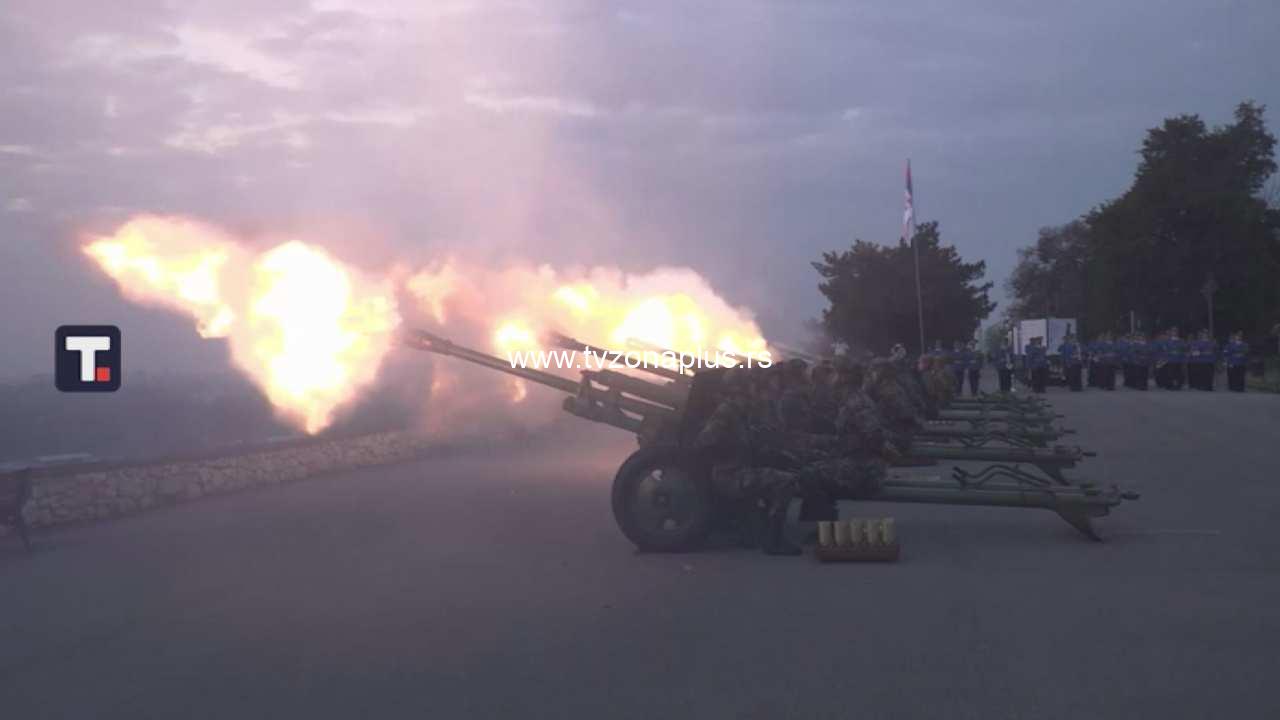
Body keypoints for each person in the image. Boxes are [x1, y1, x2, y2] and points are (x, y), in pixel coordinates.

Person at [693, 369, 802, 555]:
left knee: (782, 470)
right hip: (730, 475)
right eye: (750, 384)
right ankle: (774, 541)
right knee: (786, 482)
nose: (754, 388)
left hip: (740, 470)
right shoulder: (726, 411)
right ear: (740, 387)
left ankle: (756, 528)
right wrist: (727, 450)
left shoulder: (741, 412)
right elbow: (703, 442)